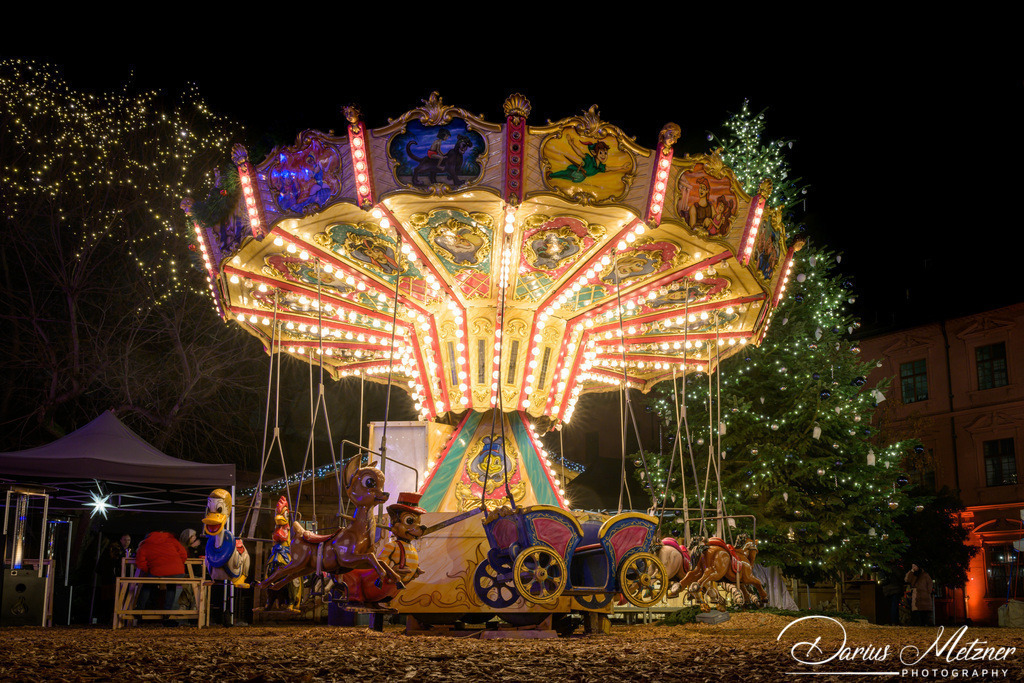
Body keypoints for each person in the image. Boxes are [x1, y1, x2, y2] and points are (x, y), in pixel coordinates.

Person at [135, 531, 187, 625]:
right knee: (171, 585)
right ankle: (167, 611)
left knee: (147, 585)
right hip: (177, 572)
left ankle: (139, 609)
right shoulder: (172, 540)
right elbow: (184, 554)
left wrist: (150, 570)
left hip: (157, 572)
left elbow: (140, 563)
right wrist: (178, 566)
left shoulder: (145, 544)